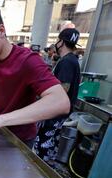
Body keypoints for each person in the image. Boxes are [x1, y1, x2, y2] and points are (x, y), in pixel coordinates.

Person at [0, 4, 70, 147]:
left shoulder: (28, 60)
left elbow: (61, 102)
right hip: (0, 131)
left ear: (1, 31)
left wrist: (0, 120)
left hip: (22, 138)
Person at [33, 28, 81, 163]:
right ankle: (47, 170)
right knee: (51, 144)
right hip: (60, 112)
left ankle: (40, 173)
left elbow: (63, 89)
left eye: (57, 40)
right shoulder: (71, 60)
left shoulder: (67, 62)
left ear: (61, 42)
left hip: (55, 113)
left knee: (44, 145)